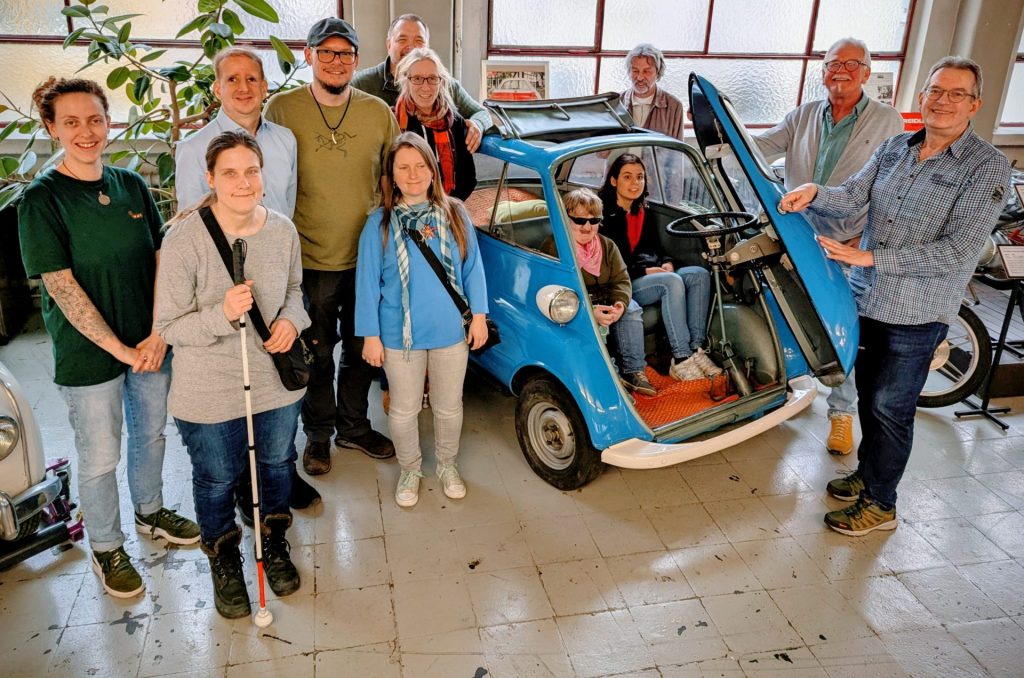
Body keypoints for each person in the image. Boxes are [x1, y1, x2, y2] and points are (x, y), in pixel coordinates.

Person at [778, 56, 1011, 537]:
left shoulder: (986, 167)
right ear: (921, 97)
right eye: (935, 92)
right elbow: (851, 195)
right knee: (868, 398)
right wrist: (814, 190)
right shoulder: (895, 149)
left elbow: (958, 251)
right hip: (869, 300)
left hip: (918, 311)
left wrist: (870, 259)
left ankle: (881, 504)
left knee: (891, 407)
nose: (942, 102)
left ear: (975, 104)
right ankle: (869, 475)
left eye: (956, 94)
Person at [18, 77, 200, 599]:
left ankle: (150, 512)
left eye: (94, 119)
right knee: (99, 455)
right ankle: (105, 546)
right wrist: (123, 349)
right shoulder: (41, 200)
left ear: (109, 121)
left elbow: (162, 258)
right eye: (70, 122)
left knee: (151, 435)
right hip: (90, 355)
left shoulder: (129, 185)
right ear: (51, 128)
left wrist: (158, 331)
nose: (86, 131)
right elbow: (62, 287)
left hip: (149, 342)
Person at [155, 130, 310, 619]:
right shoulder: (184, 239)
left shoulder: (283, 229)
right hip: (208, 386)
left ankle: (274, 542)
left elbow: (295, 290)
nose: (243, 183)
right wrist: (221, 313)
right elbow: (168, 327)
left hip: (272, 381)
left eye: (251, 171)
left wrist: (290, 320)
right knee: (218, 478)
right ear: (210, 178)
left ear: (264, 175)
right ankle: (224, 558)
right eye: (230, 173)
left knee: (277, 464)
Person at [174, 46, 319, 511]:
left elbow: (286, 208)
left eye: (252, 79)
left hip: (274, 277)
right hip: (222, 293)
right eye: (232, 80)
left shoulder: (285, 140)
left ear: (265, 86)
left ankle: (277, 478)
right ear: (217, 88)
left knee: (275, 392)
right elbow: (188, 222)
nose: (243, 88)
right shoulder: (194, 149)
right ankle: (241, 490)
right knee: (232, 401)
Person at [756, 37, 904, 457]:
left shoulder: (886, 119)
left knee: (843, 327)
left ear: (866, 73)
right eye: (832, 64)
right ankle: (782, 390)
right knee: (784, 314)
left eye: (851, 64)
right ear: (822, 72)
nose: (840, 71)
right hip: (795, 237)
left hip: (845, 242)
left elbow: (890, 186)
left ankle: (841, 414)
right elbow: (758, 148)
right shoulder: (803, 115)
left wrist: (868, 236)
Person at [265, 18, 400, 474]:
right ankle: (318, 435)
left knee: (364, 347)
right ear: (308, 55)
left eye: (345, 54)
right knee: (318, 351)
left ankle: (355, 427)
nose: (336, 61)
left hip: (366, 257)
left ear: (357, 60)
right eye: (326, 52)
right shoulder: (281, 110)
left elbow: (391, 179)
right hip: (310, 257)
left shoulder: (378, 112)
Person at [355, 132, 488, 507]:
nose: (413, 175)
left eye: (420, 166)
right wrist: (370, 336)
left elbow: (473, 268)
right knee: (403, 409)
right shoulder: (378, 223)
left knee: (449, 406)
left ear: (433, 170)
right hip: (399, 335)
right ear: (391, 175)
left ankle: (447, 464)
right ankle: (410, 468)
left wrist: (478, 315)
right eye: (403, 167)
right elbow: (366, 283)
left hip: (450, 330)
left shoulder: (455, 213)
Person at [598, 153, 720, 384]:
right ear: (613, 181)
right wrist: (645, 272)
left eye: (640, 177)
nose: (635, 183)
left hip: (648, 272)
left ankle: (696, 350)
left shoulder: (644, 211)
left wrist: (666, 262)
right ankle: (681, 357)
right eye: (627, 177)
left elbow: (653, 246)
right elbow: (609, 264)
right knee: (671, 281)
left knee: (698, 275)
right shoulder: (604, 215)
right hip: (623, 282)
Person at [540, 188, 654, 395]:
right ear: (565, 219)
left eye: (593, 221)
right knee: (587, 323)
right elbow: (556, 294)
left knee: (631, 309)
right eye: (579, 220)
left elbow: (621, 279)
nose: (587, 227)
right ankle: (611, 379)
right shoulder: (555, 247)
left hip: (607, 298)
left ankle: (634, 371)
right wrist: (589, 310)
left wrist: (620, 303)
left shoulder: (607, 245)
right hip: (575, 305)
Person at [351, 13, 491, 152]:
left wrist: (477, 125)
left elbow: (482, 113)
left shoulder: (443, 84)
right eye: (402, 39)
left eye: (419, 41)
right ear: (389, 44)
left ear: (427, 47)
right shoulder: (362, 84)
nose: (411, 47)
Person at [393, 48, 477, 200]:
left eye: (432, 78)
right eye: (417, 78)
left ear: (441, 81)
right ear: (406, 81)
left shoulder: (454, 122)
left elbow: (468, 179)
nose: (426, 86)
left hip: (447, 207)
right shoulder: (393, 121)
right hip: (403, 209)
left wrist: (444, 209)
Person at [621, 43, 685, 141]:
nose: (640, 78)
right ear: (629, 72)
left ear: (658, 73)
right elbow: (602, 154)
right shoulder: (616, 103)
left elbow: (678, 152)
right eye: (635, 71)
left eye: (647, 71)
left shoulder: (674, 106)